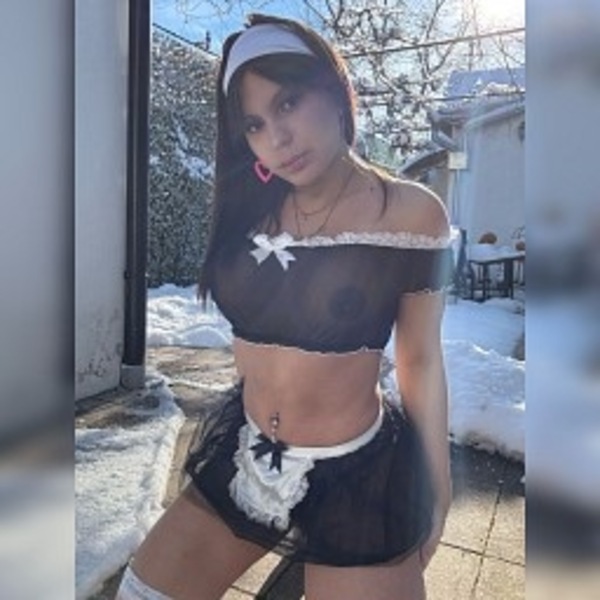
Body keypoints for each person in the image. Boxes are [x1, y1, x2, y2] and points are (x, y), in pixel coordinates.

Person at [116, 12, 454, 600]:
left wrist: (436, 487)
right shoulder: (250, 211)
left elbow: (420, 358)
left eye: (289, 103)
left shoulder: (412, 214)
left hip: (358, 472)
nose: (277, 137)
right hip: (249, 454)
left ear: (334, 88)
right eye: (254, 124)